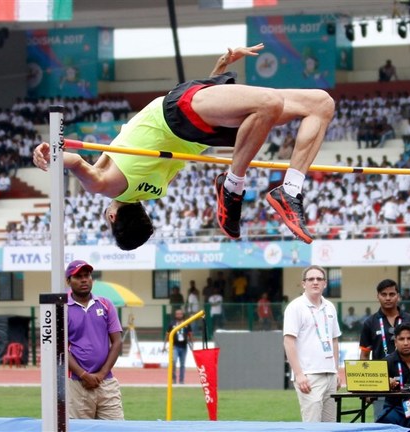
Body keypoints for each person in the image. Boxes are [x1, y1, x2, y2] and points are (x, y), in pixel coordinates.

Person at [33, 43, 334, 250]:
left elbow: (93, 163)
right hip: (177, 115)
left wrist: (220, 70)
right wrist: (51, 154)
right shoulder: (108, 186)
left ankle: (291, 189)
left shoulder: (159, 187)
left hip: (200, 128)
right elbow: (76, 164)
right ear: (112, 217)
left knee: (321, 103)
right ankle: (233, 186)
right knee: (273, 103)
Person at [65, 259, 124, 420]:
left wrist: (101, 374)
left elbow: (117, 342)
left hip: (106, 381)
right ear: (68, 281)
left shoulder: (105, 304)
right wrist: (84, 375)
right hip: (77, 384)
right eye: (78, 277)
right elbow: (60, 348)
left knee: (117, 428)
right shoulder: (62, 308)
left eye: (87, 275)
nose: (84, 280)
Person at [283, 265, 341, 423]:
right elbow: (288, 342)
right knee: (312, 425)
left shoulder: (330, 307)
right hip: (309, 376)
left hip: (330, 374)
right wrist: (299, 374)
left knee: (330, 425)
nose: (315, 282)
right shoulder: (295, 307)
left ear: (325, 283)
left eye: (319, 279)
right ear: (304, 283)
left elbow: (334, 340)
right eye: (311, 279)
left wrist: (335, 371)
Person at [359, 279, 410, 420]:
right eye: (383, 294)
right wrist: (367, 388)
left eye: (392, 294)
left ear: (398, 296)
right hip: (382, 384)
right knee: (384, 424)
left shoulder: (409, 320)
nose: (388, 298)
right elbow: (364, 356)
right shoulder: (370, 322)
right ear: (378, 296)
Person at [377, 322, 410, 429]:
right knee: (384, 421)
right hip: (394, 407)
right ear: (395, 342)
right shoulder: (386, 362)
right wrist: (385, 384)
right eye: (401, 339)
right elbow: (374, 387)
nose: (406, 343)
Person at [163, 308, 193, 384]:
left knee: (182, 364)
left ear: (183, 315)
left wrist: (192, 343)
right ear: (175, 315)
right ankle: (174, 378)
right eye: (177, 314)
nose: (179, 315)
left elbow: (190, 334)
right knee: (174, 361)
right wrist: (164, 345)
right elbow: (167, 335)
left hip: (184, 346)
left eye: (180, 314)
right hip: (175, 346)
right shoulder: (172, 324)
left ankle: (181, 380)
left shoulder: (186, 323)